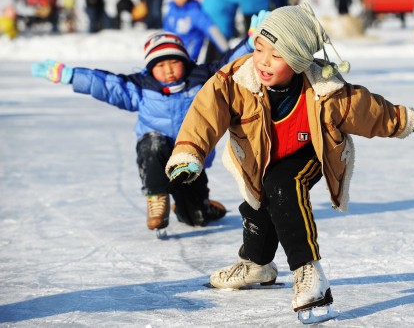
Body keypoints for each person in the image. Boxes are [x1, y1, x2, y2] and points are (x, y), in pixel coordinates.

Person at [165, 2, 414, 321]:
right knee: (257, 205)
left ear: (297, 61)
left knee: (283, 185)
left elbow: (367, 111)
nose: (263, 61)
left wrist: (404, 120)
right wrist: (190, 154)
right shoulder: (235, 80)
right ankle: (257, 265)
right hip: (257, 158)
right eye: (259, 48)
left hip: (308, 153)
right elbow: (204, 115)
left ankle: (309, 274)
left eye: (277, 55)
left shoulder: (326, 88)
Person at [31, 29, 258, 233]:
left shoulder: (202, 79)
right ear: (150, 68)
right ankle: (157, 198)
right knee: (153, 142)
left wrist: (250, 42)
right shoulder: (141, 87)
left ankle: (200, 207)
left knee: (195, 219)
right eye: (160, 65)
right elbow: (109, 85)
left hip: (190, 160)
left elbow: (229, 63)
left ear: (185, 61)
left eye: (174, 62)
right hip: (155, 153)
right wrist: (71, 75)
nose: (168, 70)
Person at [163, 0, 229, 62]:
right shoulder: (171, 12)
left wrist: (226, 49)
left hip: (189, 57)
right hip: (174, 53)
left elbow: (211, 29)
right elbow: (167, 32)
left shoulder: (195, 12)